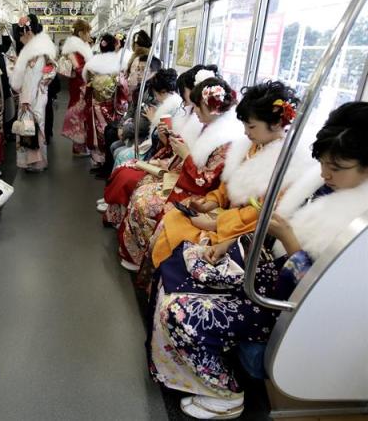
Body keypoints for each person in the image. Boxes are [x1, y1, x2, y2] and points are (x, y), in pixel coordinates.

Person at [149, 101, 368, 419]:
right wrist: (228, 242)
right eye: (322, 163)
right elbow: (263, 227)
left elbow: (324, 296)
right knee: (183, 262)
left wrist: (289, 239)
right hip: (269, 274)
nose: (324, 173)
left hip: (289, 306)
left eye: (337, 167)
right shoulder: (320, 185)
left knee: (179, 312)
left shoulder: (359, 227)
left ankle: (224, 394)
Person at [150, 81, 314, 269]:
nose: (245, 132)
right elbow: (228, 184)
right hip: (230, 217)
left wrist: (215, 224)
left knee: (178, 231)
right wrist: (211, 201)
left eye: (251, 127)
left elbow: (262, 214)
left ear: (277, 123)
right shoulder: (251, 145)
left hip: (243, 231)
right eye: (245, 126)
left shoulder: (289, 165)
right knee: (174, 217)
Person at [119, 73, 243, 271]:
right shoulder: (206, 126)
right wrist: (173, 146)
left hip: (202, 193)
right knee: (140, 190)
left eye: (197, 107)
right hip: (187, 178)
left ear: (212, 108)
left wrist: (185, 155)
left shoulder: (225, 139)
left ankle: (144, 260)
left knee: (145, 202)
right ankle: (136, 255)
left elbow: (206, 181)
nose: (194, 111)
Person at [99, 67, 202, 228]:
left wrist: (166, 141)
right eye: (136, 69)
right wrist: (163, 138)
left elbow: (200, 172)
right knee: (121, 161)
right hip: (169, 158)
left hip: (176, 167)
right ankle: (113, 203)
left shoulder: (187, 114)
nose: (138, 72)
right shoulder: (186, 112)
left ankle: (116, 206)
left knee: (123, 159)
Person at [10, 14, 57, 172]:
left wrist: (42, 85)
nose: (22, 38)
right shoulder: (28, 50)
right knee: (27, 127)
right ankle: (28, 162)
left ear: (29, 32)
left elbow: (51, 68)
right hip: (28, 92)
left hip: (37, 93)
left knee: (37, 126)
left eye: (23, 34)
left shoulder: (42, 49)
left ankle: (38, 163)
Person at [113, 68, 182, 168]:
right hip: (152, 142)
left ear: (162, 92)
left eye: (155, 94)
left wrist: (153, 119)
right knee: (118, 151)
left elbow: (160, 135)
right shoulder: (170, 102)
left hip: (158, 148)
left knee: (121, 156)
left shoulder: (170, 107)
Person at [83, 33, 129, 169]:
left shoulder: (92, 62)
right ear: (114, 45)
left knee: (97, 130)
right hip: (113, 103)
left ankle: (98, 160)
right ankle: (110, 160)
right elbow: (123, 84)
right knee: (110, 129)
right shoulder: (120, 62)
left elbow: (87, 79)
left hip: (96, 101)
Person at [61, 19, 93, 157]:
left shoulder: (82, 46)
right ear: (81, 33)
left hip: (81, 83)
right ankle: (78, 147)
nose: (89, 34)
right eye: (87, 32)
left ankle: (81, 145)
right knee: (79, 115)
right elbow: (79, 68)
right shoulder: (75, 49)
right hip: (80, 85)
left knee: (81, 115)